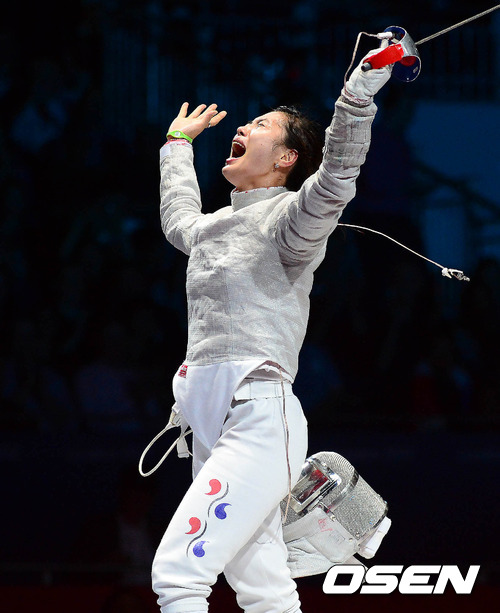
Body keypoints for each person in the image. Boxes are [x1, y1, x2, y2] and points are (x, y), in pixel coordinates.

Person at [150, 47, 393, 613]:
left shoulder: (291, 222)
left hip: (257, 420)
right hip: (210, 426)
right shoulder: (213, 227)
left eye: (259, 125)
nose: (241, 127)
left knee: (179, 574)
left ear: (287, 157)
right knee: (264, 591)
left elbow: (336, 177)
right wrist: (177, 145)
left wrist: (357, 97)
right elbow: (178, 219)